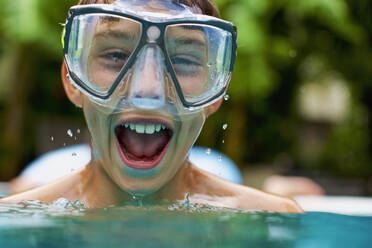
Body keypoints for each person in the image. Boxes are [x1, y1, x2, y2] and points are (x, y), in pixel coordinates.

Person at [2, 0, 302, 212]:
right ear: (72, 80)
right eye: (116, 55)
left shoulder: (266, 221)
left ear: (216, 92)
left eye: (183, 60)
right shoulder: (15, 219)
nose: (148, 90)